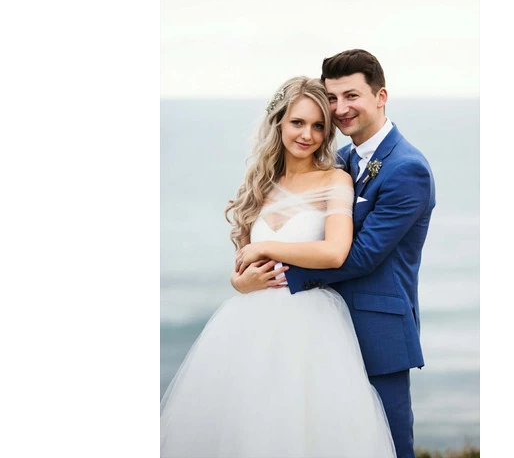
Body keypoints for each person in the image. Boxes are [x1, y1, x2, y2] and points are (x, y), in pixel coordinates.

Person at [160, 76, 397, 458]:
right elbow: (243, 263)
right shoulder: (260, 184)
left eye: (318, 126)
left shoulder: (335, 180)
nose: (307, 135)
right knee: (247, 430)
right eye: (297, 122)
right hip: (247, 330)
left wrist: (266, 246)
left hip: (309, 329)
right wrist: (239, 282)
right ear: (279, 122)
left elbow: (335, 252)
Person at [232, 49, 436, 458]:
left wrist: (273, 276)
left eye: (352, 96)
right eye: (333, 98)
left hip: (375, 330)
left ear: (381, 96)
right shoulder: (339, 162)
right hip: (316, 331)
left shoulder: (407, 169)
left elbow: (361, 256)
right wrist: (243, 280)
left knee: (387, 445)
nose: (340, 109)